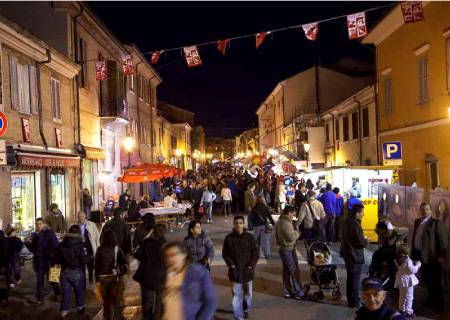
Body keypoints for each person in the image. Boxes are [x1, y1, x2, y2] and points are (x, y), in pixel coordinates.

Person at [161, 242, 216, 320]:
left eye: (173, 255)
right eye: (167, 256)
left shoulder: (198, 272)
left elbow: (210, 302)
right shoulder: (165, 274)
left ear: (184, 255)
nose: (170, 259)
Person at [411, 202, 448, 311]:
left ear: (431, 210)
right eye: (422, 209)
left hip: (432, 257)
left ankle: (438, 305)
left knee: (435, 281)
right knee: (427, 280)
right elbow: (415, 238)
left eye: (426, 209)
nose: (424, 211)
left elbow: (443, 241)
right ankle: (431, 300)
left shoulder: (436, 223)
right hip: (420, 255)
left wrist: (441, 255)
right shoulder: (418, 222)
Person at [222, 215, 259, 320]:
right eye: (236, 223)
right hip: (235, 272)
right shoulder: (228, 238)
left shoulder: (250, 237)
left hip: (248, 271)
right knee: (236, 295)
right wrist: (231, 265)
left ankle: (246, 309)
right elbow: (225, 254)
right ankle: (238, 316)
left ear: (244, 224)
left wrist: (251, 266)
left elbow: (255, 253)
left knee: (248, 295)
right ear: (234, 224)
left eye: (240, 223)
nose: (238, 225)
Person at [133, 224, 168, 320]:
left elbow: (137, 255)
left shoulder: (146, 243)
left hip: (147, 277)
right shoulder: (165, 245)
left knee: (147, 302)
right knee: (160, 302)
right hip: (161, 277)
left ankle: (147, 318)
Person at [56, 225, 89, 319]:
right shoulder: (79, 245)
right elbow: (83, 260)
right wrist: (89, 258)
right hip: (76, 272)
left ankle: (63, 314)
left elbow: (57, 259)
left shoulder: (61, 244)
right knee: (79, 293)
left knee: (65, 295)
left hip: (64, 272)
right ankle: (80, 314)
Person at [25, 217, 60, 305]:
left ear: (44, 224)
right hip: (39, 262)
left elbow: (56, 246)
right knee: (39, 281)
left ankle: (58, 294)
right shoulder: (34, 235)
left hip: (50, 261)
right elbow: (33, 249)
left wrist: (55, 258)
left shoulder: (49, 233)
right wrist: (27, 243)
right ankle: (40, 299)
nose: (38, 226)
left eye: (40, 224)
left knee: (53, 279)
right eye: (37, 224)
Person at [95, 229, 128, 320]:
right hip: (114, 277)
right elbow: (124, 261)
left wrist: (97, 280)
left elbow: (96, 266)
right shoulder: (117, 248)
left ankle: (108, 317)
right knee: (115, 299)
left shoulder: (100, 249)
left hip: (102, 277)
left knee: (106, 300)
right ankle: (117, 316)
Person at [340, 204, 369, 308]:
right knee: (355, 280)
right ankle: (355, 301)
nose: (363, 214)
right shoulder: (355, 224)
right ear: (357, 213)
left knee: (350, 278)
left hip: (348, 254)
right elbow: (360, 242)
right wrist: (366, 241)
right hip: (354, 255)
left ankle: (351, 300)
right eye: (362, 212)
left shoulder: (347, 221)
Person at [274, 206, 305, 299]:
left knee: (286, 271)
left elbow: (276, 235)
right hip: (288, 249)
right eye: (293, 214)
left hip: (284, 248)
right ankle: (299, 293)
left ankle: (287, 292)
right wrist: (297, 233)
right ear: (289, 213)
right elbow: (291, 237)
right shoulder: (285, 223)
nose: (293, 216)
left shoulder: (280, 221)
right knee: (294, 271)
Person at [394, 243, 421, 318]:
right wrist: (418, 265)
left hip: (400, 279)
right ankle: (409, 311)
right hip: (408, 280)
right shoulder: (407, 260)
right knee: (409, 296)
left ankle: (401, 309)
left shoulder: (397, 259)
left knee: (402, 295)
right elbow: (412, 270)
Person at [77, 211, 100, 285]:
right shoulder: (75, 226)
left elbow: (97, 236)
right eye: (80, 216)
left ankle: (90, 277)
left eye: (82, 216)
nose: (81, 218)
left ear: (85, 216)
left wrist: (97, 247)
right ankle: (83, 280)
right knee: (81, 265)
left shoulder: (91, 225)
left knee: (90, 264)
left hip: (90, 247)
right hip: (80, 247)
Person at [0, 230, 9, 305]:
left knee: (2, 281)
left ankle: (3, 298)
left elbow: (5, 252)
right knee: (2, 281)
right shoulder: (3, 236)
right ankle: (4, 298)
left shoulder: (1, 235)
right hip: (3, 263)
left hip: (2, 263)